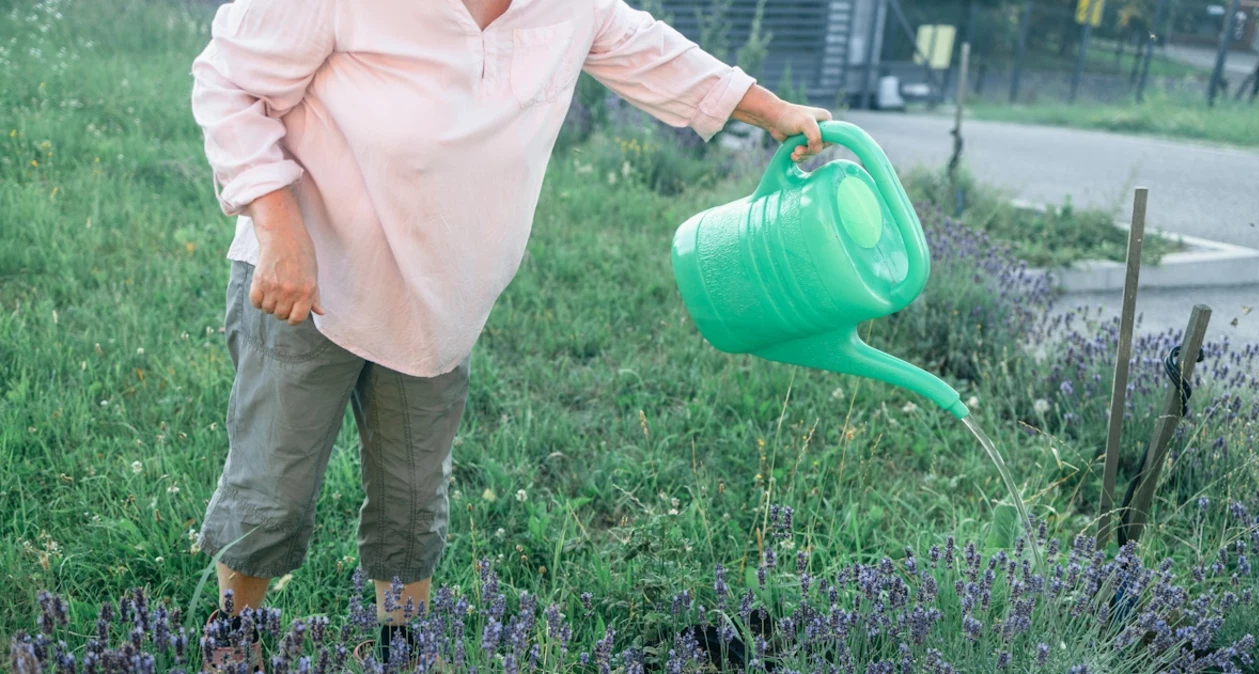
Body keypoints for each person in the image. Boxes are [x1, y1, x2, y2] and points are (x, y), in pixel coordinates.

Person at [191, 0, 831, 669]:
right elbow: (230, 82)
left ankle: (401, 645)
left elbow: (653, 52)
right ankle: (234, 641)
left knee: (413, 502)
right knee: (273, 489)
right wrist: (277, 224)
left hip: (439, 294)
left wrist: (774, 111)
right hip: (309, 273)